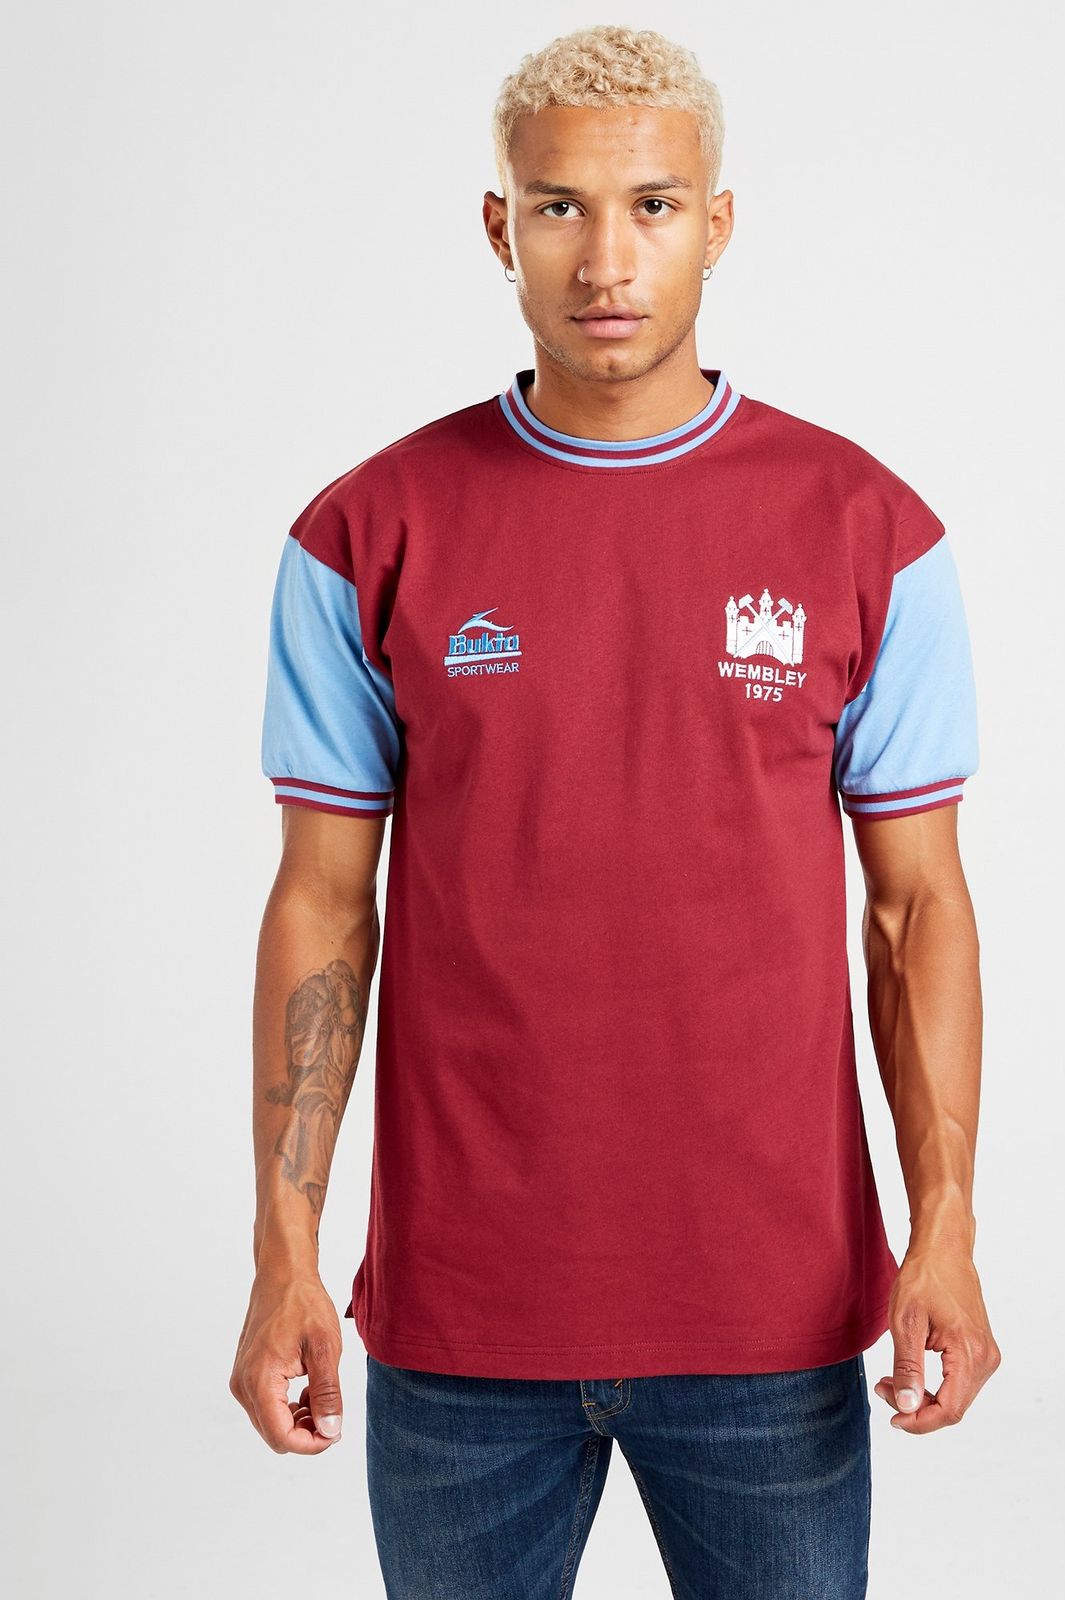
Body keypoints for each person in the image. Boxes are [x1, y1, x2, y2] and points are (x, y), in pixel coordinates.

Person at [229, 22, 1000, 1599]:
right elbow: (322, 901)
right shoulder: (364, 534)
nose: (604, 258)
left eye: (651, 206)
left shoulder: (868, 531)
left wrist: (943, 1229)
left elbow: (914, 908)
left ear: (716, 223)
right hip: (461, 1322)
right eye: (559, 207)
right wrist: (282, 1253)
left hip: (767, 1316)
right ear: (498, 225)